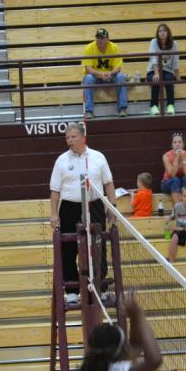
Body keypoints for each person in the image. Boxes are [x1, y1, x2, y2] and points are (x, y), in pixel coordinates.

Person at [49, 122, 116, 305]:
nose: (69, 140)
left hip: (95, 206)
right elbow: (55, 190)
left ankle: (101, 287)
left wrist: (112, 207)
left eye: (73, 137)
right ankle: (72, 291)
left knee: (98, 246)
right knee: (69, 249)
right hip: (69, 207)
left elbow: (108, 183)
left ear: (83, 137)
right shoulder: (61, 160)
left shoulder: (98, 157)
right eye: (67, 138)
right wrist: (54, 213)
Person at [82, 28, 128, 119]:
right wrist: (101, 75)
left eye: (102, 38)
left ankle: (122, 109)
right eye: (98, 38)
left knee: (121, 77)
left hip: (110, 76)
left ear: (108, 39)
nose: (100, 40)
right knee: (88, 78)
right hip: (96, 77)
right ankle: (88, 111)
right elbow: (88, 69)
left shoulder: (114, 47)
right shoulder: (89, 48)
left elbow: (118, 68)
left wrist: (110, 73)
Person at [147, 23, 180, 116]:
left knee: (169, 79)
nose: (162, 33)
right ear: (157, 33)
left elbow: (175, 61)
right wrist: (156, 73)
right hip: (153, 70)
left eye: (164, 31)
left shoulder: (174, 44)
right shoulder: (153, 42)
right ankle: (154, 106)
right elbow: (153, 58)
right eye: (160, 31)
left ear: (168, 32)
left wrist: (178, 77)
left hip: (167, 70)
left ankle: (170, 105)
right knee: (155, 80)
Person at [161, 132, 186, 205]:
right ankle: (179, 207)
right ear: (172, 145)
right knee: (175, 180)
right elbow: (172, 174)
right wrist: (176, 158)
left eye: (180, 142)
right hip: (169, 183)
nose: (177, 144)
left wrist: (183, 157)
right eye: (175, 142)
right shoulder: (166, 156)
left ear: (183, 144)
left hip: (185, 183)